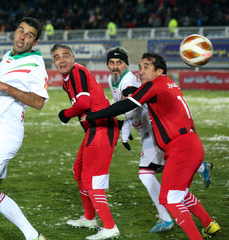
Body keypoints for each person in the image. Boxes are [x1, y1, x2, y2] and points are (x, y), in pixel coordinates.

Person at [83, 52, 221, 239]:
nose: (140, 71)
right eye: (140, 67)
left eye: (145, 67)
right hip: (188, 144)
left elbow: (125, 106)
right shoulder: (169, 84)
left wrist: (92, 115)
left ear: (159, 71)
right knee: (181, 193)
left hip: (181, 147)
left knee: (169, 198)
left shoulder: (155, 85)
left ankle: (186, 230)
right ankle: (209, 224)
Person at [0, 17, 49, 240]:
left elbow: (39, 102)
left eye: (29, 34)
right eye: (20, 31)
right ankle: (33, 235)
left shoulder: (35, 63)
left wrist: (4, 86)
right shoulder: (8, 56)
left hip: (4, 134)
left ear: (34, 42)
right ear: (15, 32)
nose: (22, 36)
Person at [51, 43, 120, 240]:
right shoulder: (68, 79)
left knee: (90, 178)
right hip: (94, 129)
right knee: (79, 171)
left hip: (102, 128)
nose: (61, 60)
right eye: (57, 57)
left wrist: (65, 114)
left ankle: (110, 226)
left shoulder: (76, 71)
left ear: (72, 58)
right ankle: (90, 218)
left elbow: (84, 103)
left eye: (65, 56)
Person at [106, 47, 173, 233]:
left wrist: (124, 132)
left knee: (146, 173)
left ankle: (166, 218)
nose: (115, 66)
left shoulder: (128, 80)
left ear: (126, 65)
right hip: (145, 131)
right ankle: (199, 167)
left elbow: (130, 106)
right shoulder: (111, 80)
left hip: (152, 130)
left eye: (119, 63)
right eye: (111, 62)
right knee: (170, 172)